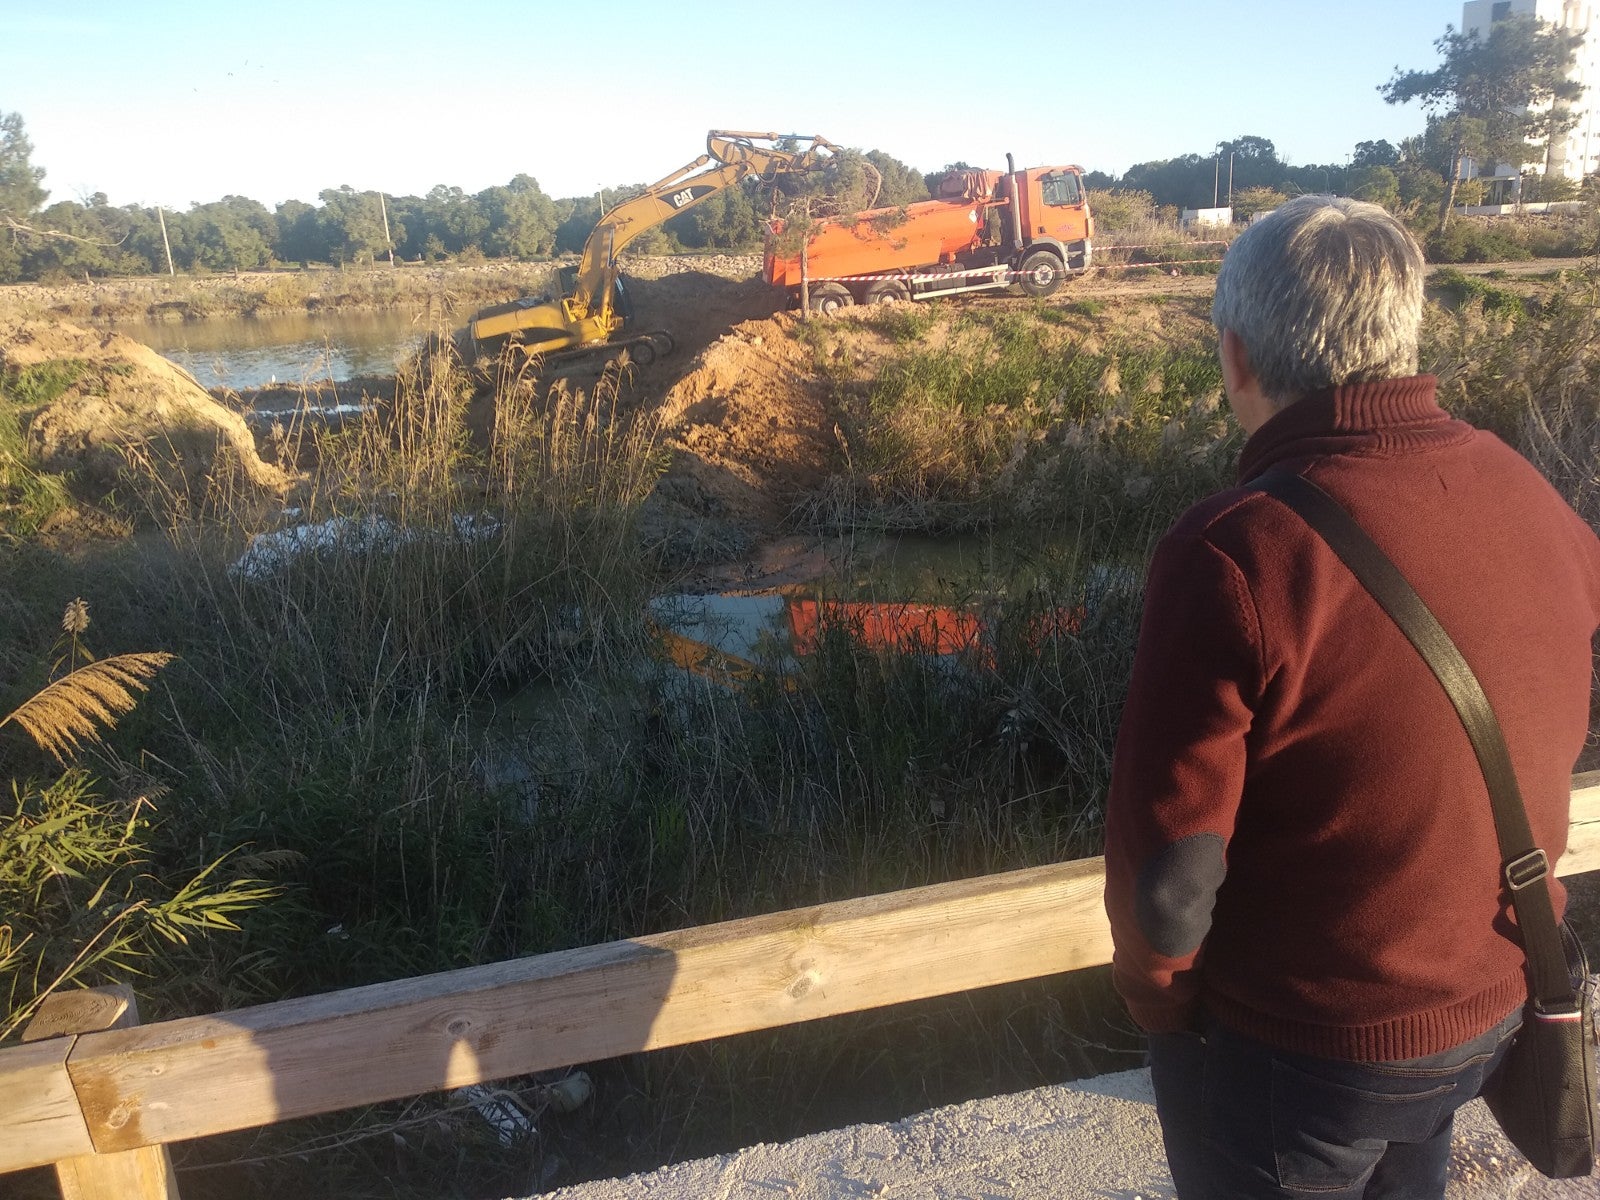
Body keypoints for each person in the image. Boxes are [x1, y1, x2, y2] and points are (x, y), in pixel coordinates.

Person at [1102, 195, 1600, 1199]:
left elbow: (1170, 870)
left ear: (1235, 357)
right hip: (1495, 997)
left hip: (1305, 1043)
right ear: (1404, 331)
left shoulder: (1233, 549)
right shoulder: (1527, 490)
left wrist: (1163, 1007)